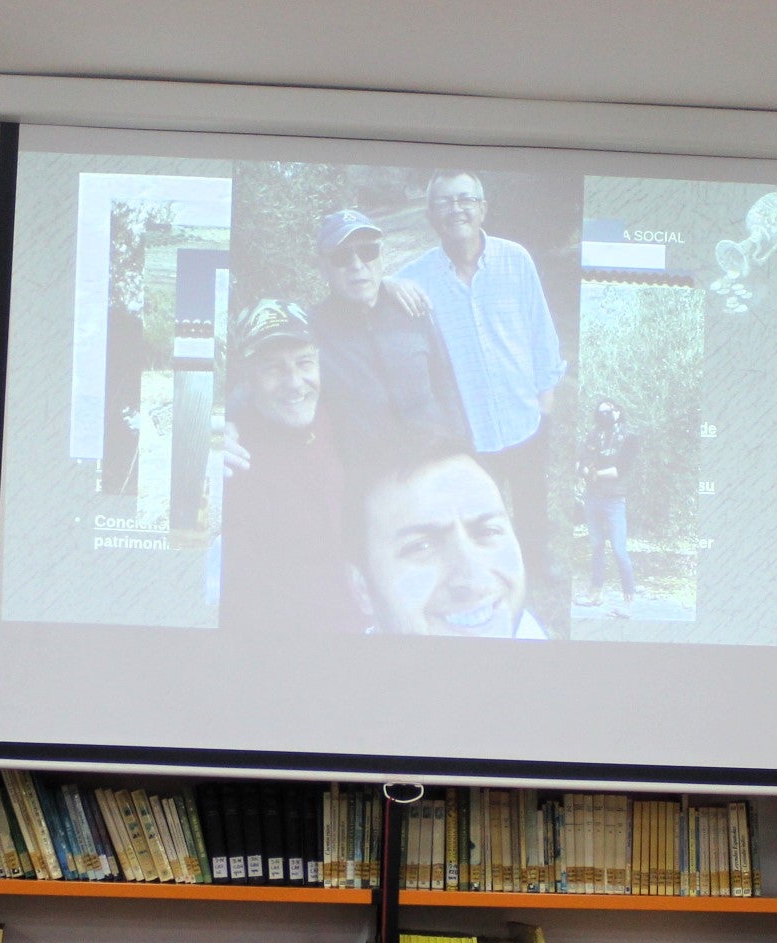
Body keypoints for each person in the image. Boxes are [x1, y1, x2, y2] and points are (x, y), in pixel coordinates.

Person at [395, 172, 566, 572]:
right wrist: (387, 283)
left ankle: (538, 560)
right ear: (431, 216)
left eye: (465, 199)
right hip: (467, 427)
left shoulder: (516, 259)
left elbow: (541, 330)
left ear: (482, 208)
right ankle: (487, 571)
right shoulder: (416, 280)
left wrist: (545, 403)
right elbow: (376, 296)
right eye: (444, 202)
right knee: (476, 511)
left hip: (524, 415)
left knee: (531, 500)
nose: (456, 209)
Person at [217, 299, 358, 632]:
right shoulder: (231, 464)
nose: (295, 382)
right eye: (273, 368)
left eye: (304, 363)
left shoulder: (337, 416)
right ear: (247, 379)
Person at [302, 208, 469, 461]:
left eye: (368, 252)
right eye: (341, 257)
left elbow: (444, 382)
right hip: (372, 482)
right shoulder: (311, 329)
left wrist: (462, 448)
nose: (357, 265)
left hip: (438, 464)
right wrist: (230, 425)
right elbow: (260, 383)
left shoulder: (411, 308)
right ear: (323, 268)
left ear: (380, 257)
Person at [347, 439, 548, 639]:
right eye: (421, 546)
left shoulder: (529, 633)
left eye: (487, 531)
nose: (475, 582)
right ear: (363, 589)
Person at [577, 400, 637, 610]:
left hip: (614, 500)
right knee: (596, 546)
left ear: (619, 412)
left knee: (619, 549)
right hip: (592, 498)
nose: (605, 415)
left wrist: (595, 474)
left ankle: (628, 593)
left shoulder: (630, 437)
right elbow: (583, 460)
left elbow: (620, 469)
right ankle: (596, 593)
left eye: (609, 411)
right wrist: (586, 471)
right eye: (600, 412)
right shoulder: (593, 435)